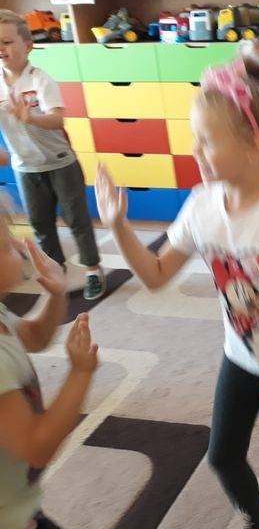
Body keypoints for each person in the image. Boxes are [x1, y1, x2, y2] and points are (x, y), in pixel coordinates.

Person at [94, 54, 259, 528]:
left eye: (206, 140)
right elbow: (155, 275)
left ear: (253, 144)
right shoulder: (201, 207)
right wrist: (118, 227)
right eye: (193, 138)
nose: (194, 150)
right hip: (241, 354)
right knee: (222, 456)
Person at [0, 193, 99, 529]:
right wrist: (80, 373)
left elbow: (35, 337)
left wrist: (56, 293)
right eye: (6, 246)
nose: (18, 249)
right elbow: (37, 446)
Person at [0, 9, 104, 300]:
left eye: (7, 42)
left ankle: (93, 270)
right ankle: (55, 272)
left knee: (77, 220)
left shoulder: (40, 80)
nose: (1, 48)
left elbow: (58, 119)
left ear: (27, 45)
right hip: (26, 167)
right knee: (40, 224)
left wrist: (30, 118)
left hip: (60, 163)